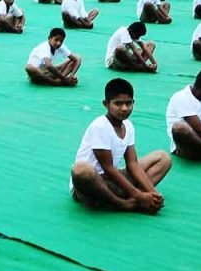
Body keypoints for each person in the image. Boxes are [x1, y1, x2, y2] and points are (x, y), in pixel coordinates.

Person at [70, 78, 170, 212]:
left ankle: (140, 200)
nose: (124, 108)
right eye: (118, 104)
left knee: (163, 158)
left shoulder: (128, 126)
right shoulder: (100, 126)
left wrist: (153, 193)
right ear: (106, 104)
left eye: (128, 103)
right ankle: (122, 204)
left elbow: (132, 164)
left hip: (113, 180)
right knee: (81, 170)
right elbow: (108, 168)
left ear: (133, 103)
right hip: (93, 183)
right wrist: (138, 194)